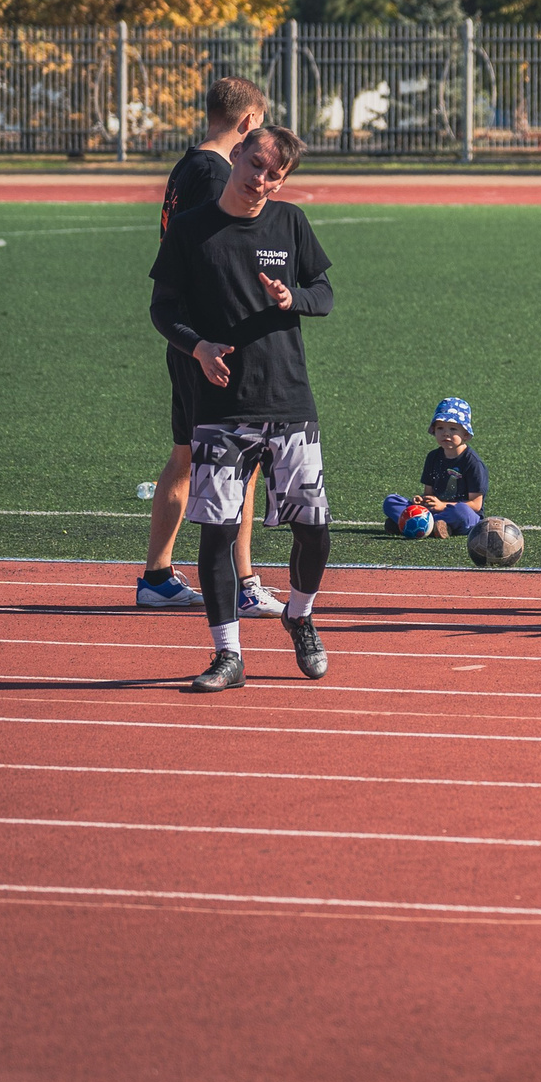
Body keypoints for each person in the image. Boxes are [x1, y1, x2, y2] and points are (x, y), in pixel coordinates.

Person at [148, 124, 337, 692]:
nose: (260, 180)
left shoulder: (290, 223)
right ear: (236, 154)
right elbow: (162, 310)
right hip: (222, 409)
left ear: (282, 182)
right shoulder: (190, 230)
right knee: (217, 534)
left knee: (315, 528)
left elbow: (324, 295)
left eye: (274, 174)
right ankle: (228, 656)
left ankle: (299, 615)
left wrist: (292, 298)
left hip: (289, 399)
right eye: (255, 164)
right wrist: (197, 346)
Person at [138, 75, 284, 618]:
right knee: (240, 462)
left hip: (190, 339)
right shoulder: (214, 173)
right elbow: (214, 251)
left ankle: (157, 574)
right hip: (210, 343)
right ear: (248, 123)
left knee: (184, 455)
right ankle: (243, 582)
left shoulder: (187, 165)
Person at [384, 398, 487, 539]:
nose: (445, 433)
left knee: (462, 512)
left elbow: (475, 504)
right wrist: (421, 501)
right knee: (391, 501)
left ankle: (409, 524)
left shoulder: (472, 462)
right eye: (440, 428)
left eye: (453, 428)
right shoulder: (433, 457)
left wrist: (443, 506)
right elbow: (429, 493)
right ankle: (434, 526)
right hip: (434, 512)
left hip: (460, 514)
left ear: (466, 434)